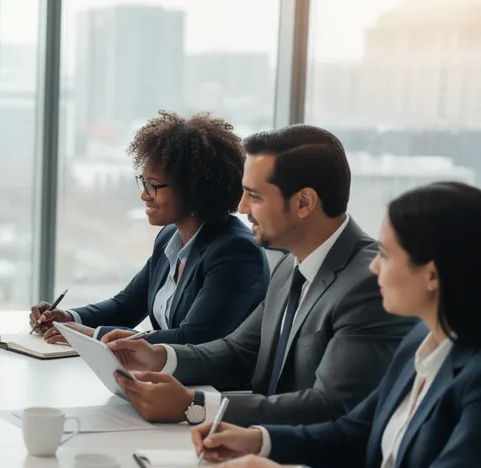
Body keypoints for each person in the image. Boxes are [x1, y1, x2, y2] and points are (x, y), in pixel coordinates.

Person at [195, 182, 481, 468]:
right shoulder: (421, 338)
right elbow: (353, 433)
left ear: (431, 275)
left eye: (385, 254)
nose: (374, 266)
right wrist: (259, 440)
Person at [107, 125, 416, 426]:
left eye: (254, 196)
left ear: (303, 203)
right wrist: (159, 357)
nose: (242, 208)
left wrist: (197, 406)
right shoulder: (288, 266)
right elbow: (237, 351)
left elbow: (330, 406)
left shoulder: (368, 284)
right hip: (258, 449)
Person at [30, 112, 268, 346]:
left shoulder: (235, 252)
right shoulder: (169, 238)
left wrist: (92, 336)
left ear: (194, 190)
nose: (144, 195)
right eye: (144, 183)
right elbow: (126, 306)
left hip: (211, 385)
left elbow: (192, 340)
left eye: (153, 186)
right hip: (164, 378)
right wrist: (68, 318)